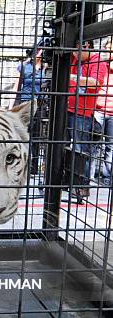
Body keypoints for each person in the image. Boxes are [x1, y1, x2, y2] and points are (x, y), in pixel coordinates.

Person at [67, 39, 109, 200]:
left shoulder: (97, 60)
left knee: (81, 150)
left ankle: (82, 187)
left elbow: (94, 83)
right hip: (67, 109)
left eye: (78, 49)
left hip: (82, 113)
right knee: (64, 146)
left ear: (88, 46)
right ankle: (66, 182)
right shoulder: (75, 59)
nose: (74, 53)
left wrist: (69, 75)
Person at [9, 47, 48, 176]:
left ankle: (34, 167)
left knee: (36, 137)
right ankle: (21, 164)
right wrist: (11, 105)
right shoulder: (23, 66)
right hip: (25, 105)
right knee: (22, 135)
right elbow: (16, 86)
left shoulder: (45, 67)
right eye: (39, 51)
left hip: (40, 106)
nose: (41, 53)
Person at [95, 39, 113, 183]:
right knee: (93, 144)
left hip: (112, 111)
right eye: (106, 49)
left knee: (110, 146)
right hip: (99, 109)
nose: (108, 52)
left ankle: (107, 176)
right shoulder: (101, 65)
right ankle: (87, 178)